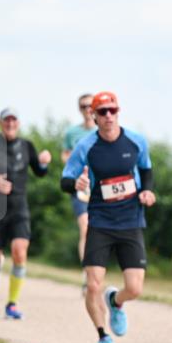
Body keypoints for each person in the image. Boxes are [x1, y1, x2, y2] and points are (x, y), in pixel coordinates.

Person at [61, 92, 155, 343]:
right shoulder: (85, 146)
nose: (108, 116)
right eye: (102, 112)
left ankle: (116, 301)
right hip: (100, 220)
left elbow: (146, 171)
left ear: (119, 111)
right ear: (93, 115)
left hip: (130, 220)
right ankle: (103, 337)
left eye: (112, 110)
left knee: (135, 288)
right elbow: (65, 179)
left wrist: (147, 192)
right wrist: (75, 184)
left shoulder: (136, 141)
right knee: (93, 285)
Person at [0, 108, 51, 319]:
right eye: (6, 120)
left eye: (14, 120)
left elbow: (39, 172)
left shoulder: (27, 146)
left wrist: (44, 162)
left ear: (18, 123)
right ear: (0, 123)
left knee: (19, 251)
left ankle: (12, 304)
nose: (10, 124)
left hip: (19, 208)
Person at [62, 93, 97, 293]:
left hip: (101, 185)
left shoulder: (104, 130)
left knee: (98, 228)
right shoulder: (72, 134)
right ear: (79, 109)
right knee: (85, 227)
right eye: (83, 106)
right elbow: (65, 155)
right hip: (81, 186)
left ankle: (96, 270)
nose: (87, 109)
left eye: (91, 106)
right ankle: (87, 274)